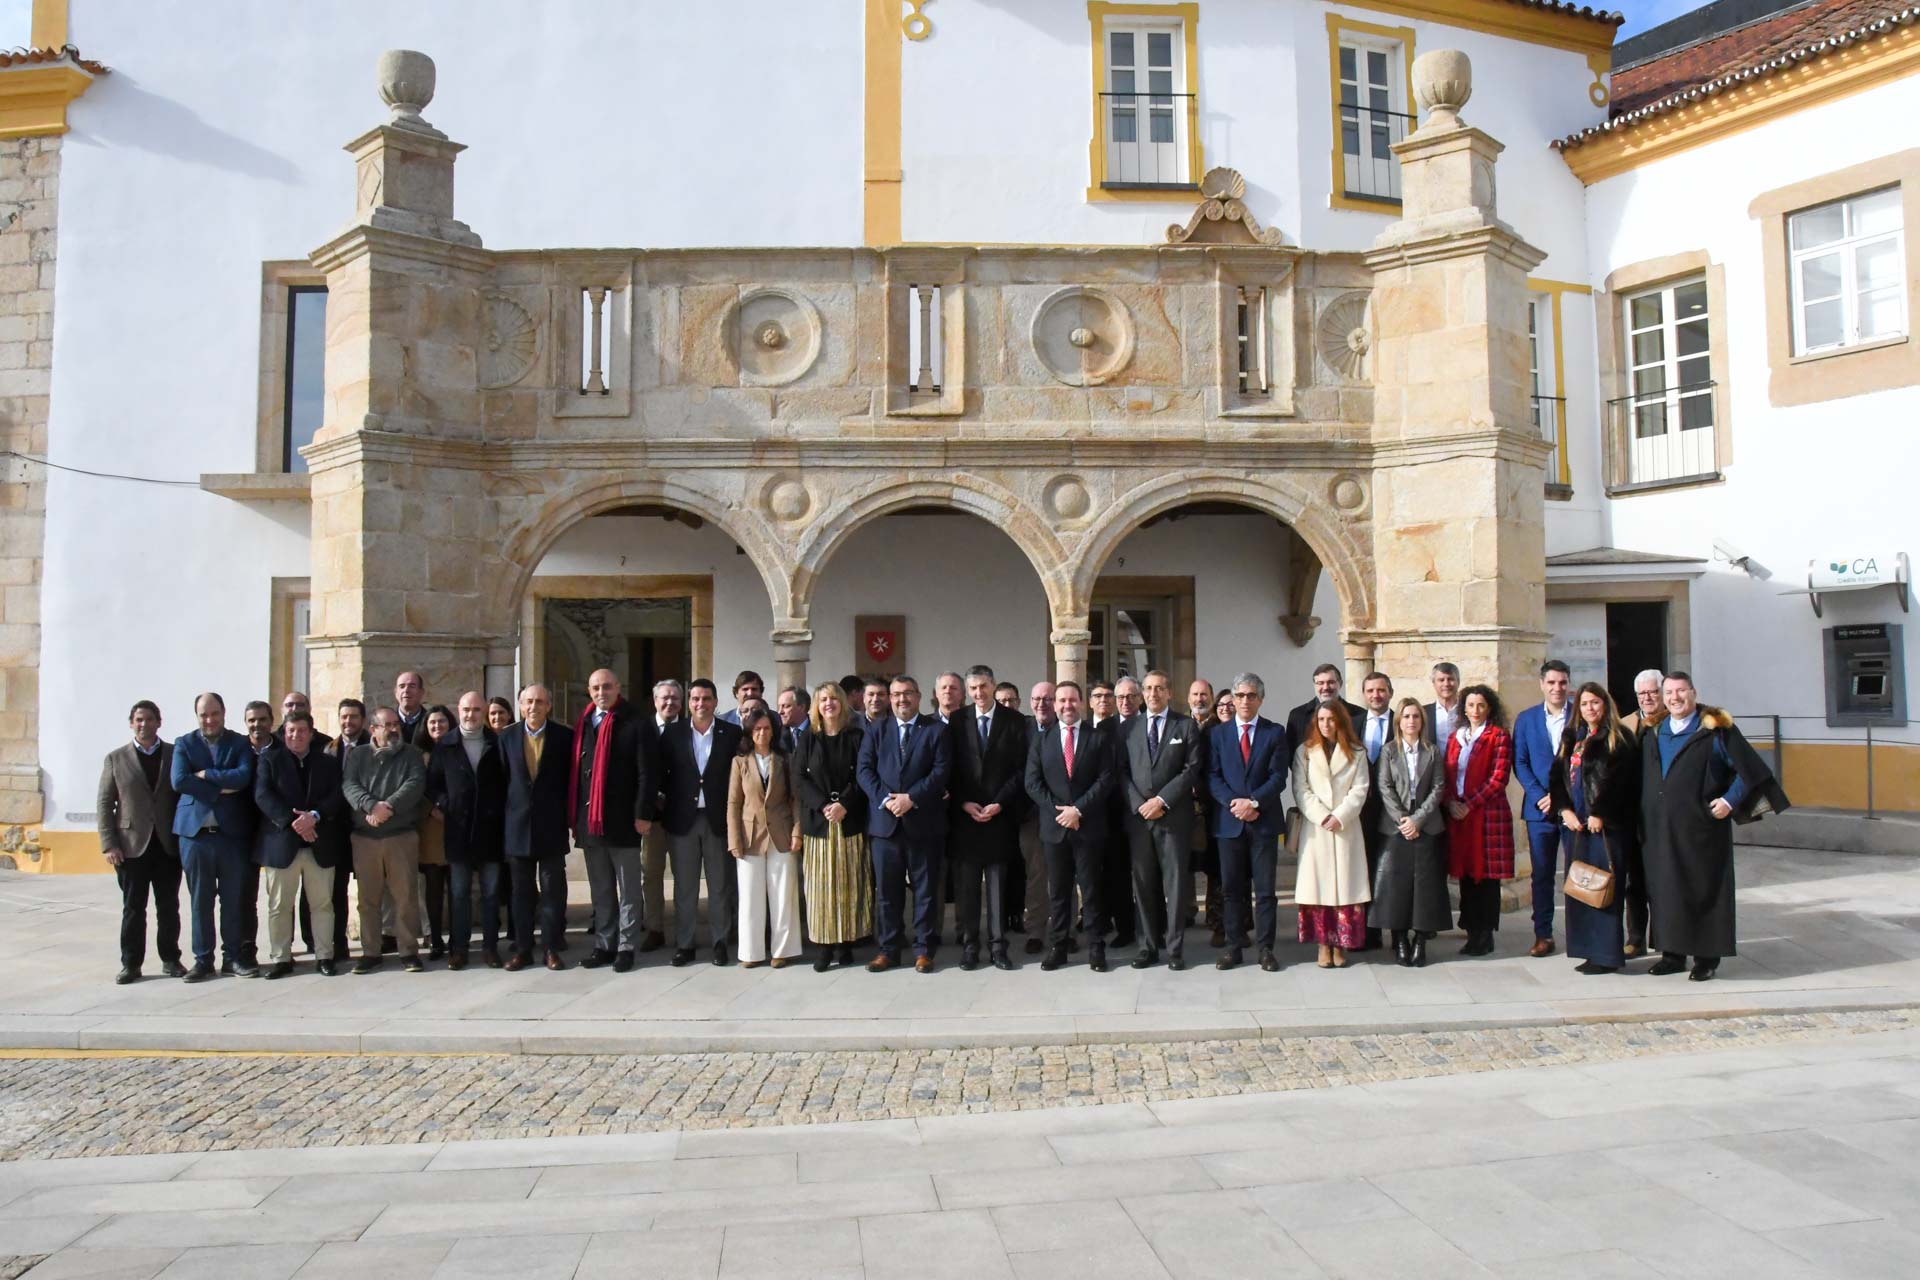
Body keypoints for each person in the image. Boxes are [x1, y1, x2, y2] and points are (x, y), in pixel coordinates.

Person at [1640, 672, 1788, 982]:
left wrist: (1729, 802)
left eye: (1681, 691)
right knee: (1666, 890)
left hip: (1703, 829)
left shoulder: (1715, 730)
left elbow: (1749, 770)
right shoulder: (1654, 731)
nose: (1675, 697)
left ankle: (1706, 958)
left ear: (1693, 692)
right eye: (1669, 692)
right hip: (1661, 830)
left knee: (1703, 890)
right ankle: (1672, 953)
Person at [857, 674, 952, 973]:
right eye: (896, 694)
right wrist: (887, 799)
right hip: (885, 826)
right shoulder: (877, 729)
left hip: (923, 824)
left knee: (924, 891)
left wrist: (911, 798)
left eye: (907, 693)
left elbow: (941, 772)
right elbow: (864, 770)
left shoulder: (935, 730)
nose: (901, 699)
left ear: (919, 696)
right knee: (887, 893)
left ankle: (923, 950)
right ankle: (888, 949)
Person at [1551, 682, 1640, 976]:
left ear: (1605, 704)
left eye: (1595, 703)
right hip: (1577, 825)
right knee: (1580, 886)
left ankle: (1606, 953)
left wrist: (1600, 812)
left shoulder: (1619, 738)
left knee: (1604, 887)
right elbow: (1558, 776)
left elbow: (1621, 781)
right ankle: (1586, 949)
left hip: (1606, 827)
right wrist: (1564, 810)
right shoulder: (1573, 737)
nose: (1590, 708)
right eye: (1585, 704)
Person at [1024, 681, 1114, 972]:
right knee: (1058, 892)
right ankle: (1058, 947)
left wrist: (1079, 810)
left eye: (1072, 700)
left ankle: (1096, 948)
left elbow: (1106, 779)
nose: (1067, 706)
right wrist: (1059, 811)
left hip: (1089, 827)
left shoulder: (1097, 738)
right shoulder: (1042, 739)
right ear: (1055, 704)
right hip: (1054, 828)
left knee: (1091, 890)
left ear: (1082, 702)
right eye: (1061, 701)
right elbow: (1032, 782)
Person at [252, 710, 347, 978]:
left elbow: (336, 795)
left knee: (322, 904)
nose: (296, 735)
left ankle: (324, 956)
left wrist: (314, 817)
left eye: (302, 731)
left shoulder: (327, 763)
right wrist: (293, 822)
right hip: (282, 844)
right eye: (291, 731)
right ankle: (281, 957)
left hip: (319, 843)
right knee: (280, 906)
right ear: (284, 734)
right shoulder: (269, 760)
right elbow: (263, 795)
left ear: (311, 733)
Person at [171, 693, 258, 982]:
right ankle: (202, 959)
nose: (209, 720)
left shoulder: (239, 742)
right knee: (200, 900)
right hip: (195, 836)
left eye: (214, 714)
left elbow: (243, 776)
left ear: (223, 713)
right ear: (197, 716)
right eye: (203, 715)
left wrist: (207, 774)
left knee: (233, 900)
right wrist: (219, 788)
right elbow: (179, 780)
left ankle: (232, 958)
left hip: (231, 836)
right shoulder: (185, 743)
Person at [570, 668, 652, 972]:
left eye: (606, 686)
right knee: (601, 888)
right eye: (595, 687)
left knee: (628, 888)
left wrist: (643, 814)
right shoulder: (583, 723)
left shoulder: (635, 722)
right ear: (589, 691)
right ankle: (604, 943)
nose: (601, 692)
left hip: (623, 822)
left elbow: (646, 772)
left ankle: (626, 945)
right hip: (591, 823)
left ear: (618, 687)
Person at [1122, 670, 1205, 970]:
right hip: (1139, 820)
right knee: (1143, 884)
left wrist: (1161, 800)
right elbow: (1121, 771)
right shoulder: (1129, 728)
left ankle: (1175, 948)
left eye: (1159, 688)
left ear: (1170, 692)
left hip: (1173, 818)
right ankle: (1147, 946)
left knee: (1175, 884)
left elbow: (1192, 769)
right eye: (1147, 689)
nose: (1153, 694)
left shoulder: (1185, 726)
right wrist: (1140, 804)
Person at [97, 699, 183, 983]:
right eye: (138, 720)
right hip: (132, 846)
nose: (144, 724)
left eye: (149, 719)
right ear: (131, 723)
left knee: (168, 906)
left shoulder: (174, 754)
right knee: (134, 908)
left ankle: (171, 959)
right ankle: (131, 964)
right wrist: (109, 844)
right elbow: (105, 803)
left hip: (167, 845)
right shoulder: (116, 758)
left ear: (159, 722)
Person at [1208, 674, 1289, 971]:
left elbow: (1278, 777)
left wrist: (1253, 802)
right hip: (1229, 824)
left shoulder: (1274, 732)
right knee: (1231, 889)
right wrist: (1235, 804)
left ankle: (1266, 948)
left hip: (1263, 822)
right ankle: (1233, 946)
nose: (1244, 700)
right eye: (1240, 695)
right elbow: (1213, 776)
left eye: (1251, 695)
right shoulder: (1218, 734)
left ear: (1260, 699)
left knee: (1265, 891)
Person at [659, 678, 743, 966]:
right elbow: (661, 775)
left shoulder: (731, 733)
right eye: (695, 699)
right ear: (688, 703)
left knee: (720, 886)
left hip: (718, 820)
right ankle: (685, 943)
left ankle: (720, 942)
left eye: (706, 698)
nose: (700, 704)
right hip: (683, 820)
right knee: (685, 886)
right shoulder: (673, 733)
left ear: (716, 702)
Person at [949, 665, 1024, 971]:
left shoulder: (1014, 721)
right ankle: (970, 946)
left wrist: (999, 803)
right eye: (973, 688)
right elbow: (948, 768)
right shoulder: (956, 721)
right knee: (967, 888)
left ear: (993, 685)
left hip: (998, 816)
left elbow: (1020, 770)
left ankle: (997, 946)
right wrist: (963, 802)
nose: (979, 693)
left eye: (983, 686)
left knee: (996, 885)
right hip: (966, 818)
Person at [342, 707, 428, 973]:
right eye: (386, 725)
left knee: (405, 897)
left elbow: (414, 785)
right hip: (365, 838)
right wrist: (369, 806)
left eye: (395, 725)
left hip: (400, 836)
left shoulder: (411, 754)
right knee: (368, 899)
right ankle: (371, 951)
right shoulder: (357, 755)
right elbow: (349, 785)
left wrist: (387, 807)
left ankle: (408, 951)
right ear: (373, 730)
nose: (392, 729)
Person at [428, 691, 508, 969]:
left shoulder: (497, 743)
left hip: (490, 829)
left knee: (490, 892)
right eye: (466, 710)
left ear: (484, 712)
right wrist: (445, 804)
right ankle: (458, 948)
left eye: (476, 710)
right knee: (459, 893)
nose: (470, 715)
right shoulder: (445, 745)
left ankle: (489, 947)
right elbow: (433, 784)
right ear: (458, 711)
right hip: (458, 829)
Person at [796, 679, 872, 970]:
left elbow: (862, 776)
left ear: (842, 703)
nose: (829, 704)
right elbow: (799, 778)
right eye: (823, 699)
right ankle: (825, 947)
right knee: (820, 889)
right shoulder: (808, 738)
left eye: (833, 699)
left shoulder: (856, 737)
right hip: (819, 823)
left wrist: (844, 805)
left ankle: (846, 944)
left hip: (849, 820)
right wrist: (824, 805)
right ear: (816, 706)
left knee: (849, 886)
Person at [1293, 701, 1371, 969]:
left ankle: (1341, 945)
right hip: (1317, 829)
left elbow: (1360, 788)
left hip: (1345, 827)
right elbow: (1301, 790)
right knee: (1319, 890)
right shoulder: (1304, 752)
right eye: (1321, 719)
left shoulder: (1358, 752)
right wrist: (1321, 815)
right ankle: (1323, 946)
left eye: (1331, 719)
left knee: (1344, 888)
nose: (1326, 724)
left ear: (1340, 721)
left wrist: (1340, 815)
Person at [1372, 699, 1448, 967]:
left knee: (1424, 887)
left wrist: (1418, 820)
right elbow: (1384, 786)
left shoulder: (1433, 751)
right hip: (1395, 828)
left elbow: (1438, 787)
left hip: (1426, 825)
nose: (1411, 721)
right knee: (1398, 886)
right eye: (1406, 717)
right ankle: (1400, 939)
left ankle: (1421, 941)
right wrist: (1404, 820)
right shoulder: (1389, 751)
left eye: (1416, 716)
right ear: (1399, 722)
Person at [502, 683, 573, 971]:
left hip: (551, 826)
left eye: (540, 702)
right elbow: (502, 781)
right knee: (521, 893)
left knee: (553, 890)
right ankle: (522, 949)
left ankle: (551, 948)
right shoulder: (506, 738)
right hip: (517, 826)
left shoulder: (564, 737)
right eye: (528, 702)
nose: (534, 707)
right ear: (520, 706)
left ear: (549, 705)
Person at [728, 706, 803, 968]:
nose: (762, 733)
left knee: (783, 894)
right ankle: (751, 952)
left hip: (781, 833)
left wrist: (797, 831)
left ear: (774, 731)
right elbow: (734, 803)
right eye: (757, 728)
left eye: (767, 728)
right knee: (750, 896)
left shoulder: (785, 760)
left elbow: (795, 799)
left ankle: (782, 949)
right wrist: (734, 840)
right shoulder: (739, 762)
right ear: (750, 731)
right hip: (750, 836)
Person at [1445, 685, 1513, 957]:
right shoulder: (1455, 738)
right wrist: (1451, 802)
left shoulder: (1498, 736)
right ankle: (1471, 930)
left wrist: (1468, 803)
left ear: (1490, 708)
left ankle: (1485, 933)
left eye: (1481, 705)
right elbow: (1447, 774)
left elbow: (1498, 779)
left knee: (1486, 878)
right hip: (1459, 816)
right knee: (1465, 876)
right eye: (1471, 705)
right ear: (1464, 708)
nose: (1475, 711)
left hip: (1487, 816)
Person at [1514, 659, 1574, 958]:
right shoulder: (1526, 720)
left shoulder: (1580, 716)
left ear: (1569, 684)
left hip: (1574, 810)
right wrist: (1541, 795)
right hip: (1539, 810)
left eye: (1562, 682)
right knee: (1542, 874)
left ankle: (1580, 932)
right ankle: (1544, 934)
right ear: (1542, 685)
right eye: (1551, 682)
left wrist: (1562, 796)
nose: (1557, 688)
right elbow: (1520, 763)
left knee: (1578, 872)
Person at [1618, 667, 1665, 956]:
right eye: (1642, 693)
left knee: (1662, 880)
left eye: (1653, 692)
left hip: (1665, 817)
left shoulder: (1674, 722)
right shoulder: (1625, 725)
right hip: (1634, 815)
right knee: (1633, 881)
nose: (1648, 697)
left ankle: (1662, 936)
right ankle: (1635, 938)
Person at [639, 677, 684, 954]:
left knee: (685, 876)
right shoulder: (641, 729)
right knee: (651, 875)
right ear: (655, 701)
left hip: (682, 817)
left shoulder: (692, 730)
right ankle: (654, 928)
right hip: (651, 819)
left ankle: (684, 929)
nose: (669, 702)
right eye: (664, 697)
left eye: (675, 698)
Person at [1355, 671, 1395, 951]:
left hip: (1395, 810)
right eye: (1370, 691)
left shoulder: (1403, 721)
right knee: (1366, 868)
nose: (1376, 695)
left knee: (1394, 870)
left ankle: (1398, 931)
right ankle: (1369, 931)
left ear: (1390, 693)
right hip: (1362, 810)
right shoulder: (1354, 723)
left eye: (1381, 690)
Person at [1017, 679, 1056, 952]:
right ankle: (1036, 931)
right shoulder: (1021, 730)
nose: (1041, 704)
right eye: (1036, 699)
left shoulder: (1068, 729)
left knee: (1065, 875)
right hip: (1031, 815)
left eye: (1047, 699)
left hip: (1065, 814)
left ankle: (1064, 930)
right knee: (1036, 874)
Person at [414, 704, 454, 961]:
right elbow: (415, 787)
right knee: (433, 887)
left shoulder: (456, 748)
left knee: (456, 886)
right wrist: (432, 809)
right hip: (430, 826)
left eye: (441, 722)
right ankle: (435, 937)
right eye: (432, 724)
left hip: (454, 823)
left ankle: (457, 938)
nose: (437, 727)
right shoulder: (417, 755)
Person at [1185, 678, 1222, 945]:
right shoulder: (1179, 726)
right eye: (1195, 695)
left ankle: (1216, 918)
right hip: (1180, 807)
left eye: (1204, 695)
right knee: (1182, 864)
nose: (1200, 699)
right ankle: (1184, 912)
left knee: (1215, 866)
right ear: (1188, 699)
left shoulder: (1220, 729)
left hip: (1214, 807)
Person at [1285, 664, 1365, 754]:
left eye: (1331, 682)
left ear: (1340, 684)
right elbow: (1291, 752)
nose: (1326, 687)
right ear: (1314, 685)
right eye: (1320, 683)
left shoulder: (1360, 714)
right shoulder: (1297, 715)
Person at [1425, 662, 1464, 749]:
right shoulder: (1423, 713)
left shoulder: (1467, 711)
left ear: (1458, 682)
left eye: (1450, 679)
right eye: (1441, 680)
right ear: (1434, 683)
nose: (1446, 684)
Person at [394, 671, 434, 750]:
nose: (406, 690)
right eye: (402, 686)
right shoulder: (387, 723)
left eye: (412, 686)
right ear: (396, 693)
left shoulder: (431, 722)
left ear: (421, 692)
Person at [776, 685, 810, 755]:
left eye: (785, 706)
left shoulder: (819, 731)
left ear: (802, 707)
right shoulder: (776, 734)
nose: (780, 712)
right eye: (779, 706)